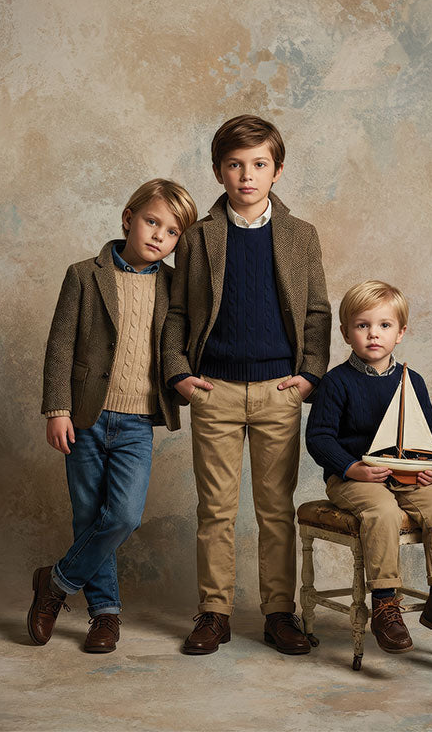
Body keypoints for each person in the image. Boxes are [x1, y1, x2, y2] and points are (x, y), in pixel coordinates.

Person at [163, 115, 331, 655]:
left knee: (275, 510)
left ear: (277, 171)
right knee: (214, 510)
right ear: (218, 171)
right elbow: (177, 312)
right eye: (235, 165)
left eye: (258, 165)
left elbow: (317, 312)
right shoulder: (197, 237)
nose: (246, 176)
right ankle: (214, 612)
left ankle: (280, 613)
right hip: (213, 389)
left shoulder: (301, 236)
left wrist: (308, 377)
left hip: (280, 391)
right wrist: (179, 374)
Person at [28, 178, 197, 653]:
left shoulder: (172, 287)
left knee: (121, 515)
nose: (160, 236)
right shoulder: (84, 274)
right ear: (128, 218)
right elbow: (60, 347)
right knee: (88, 516)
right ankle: (105, 615)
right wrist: (57, 409)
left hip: (137, 421)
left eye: (172, 232)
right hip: (84, 416)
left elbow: (178, 345)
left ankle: (55, 583)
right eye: (152, 222)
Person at [306, 280, 432, 653]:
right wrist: (352, 468)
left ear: (400, 333)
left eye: (384, 326)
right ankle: (384, 603)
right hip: (354, 478)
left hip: (408, 477)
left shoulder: (411, 381)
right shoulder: (336, 382)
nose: (373, 335)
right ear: (346, 333)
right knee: (382, 511)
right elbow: (318, 439)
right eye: (362, 325)